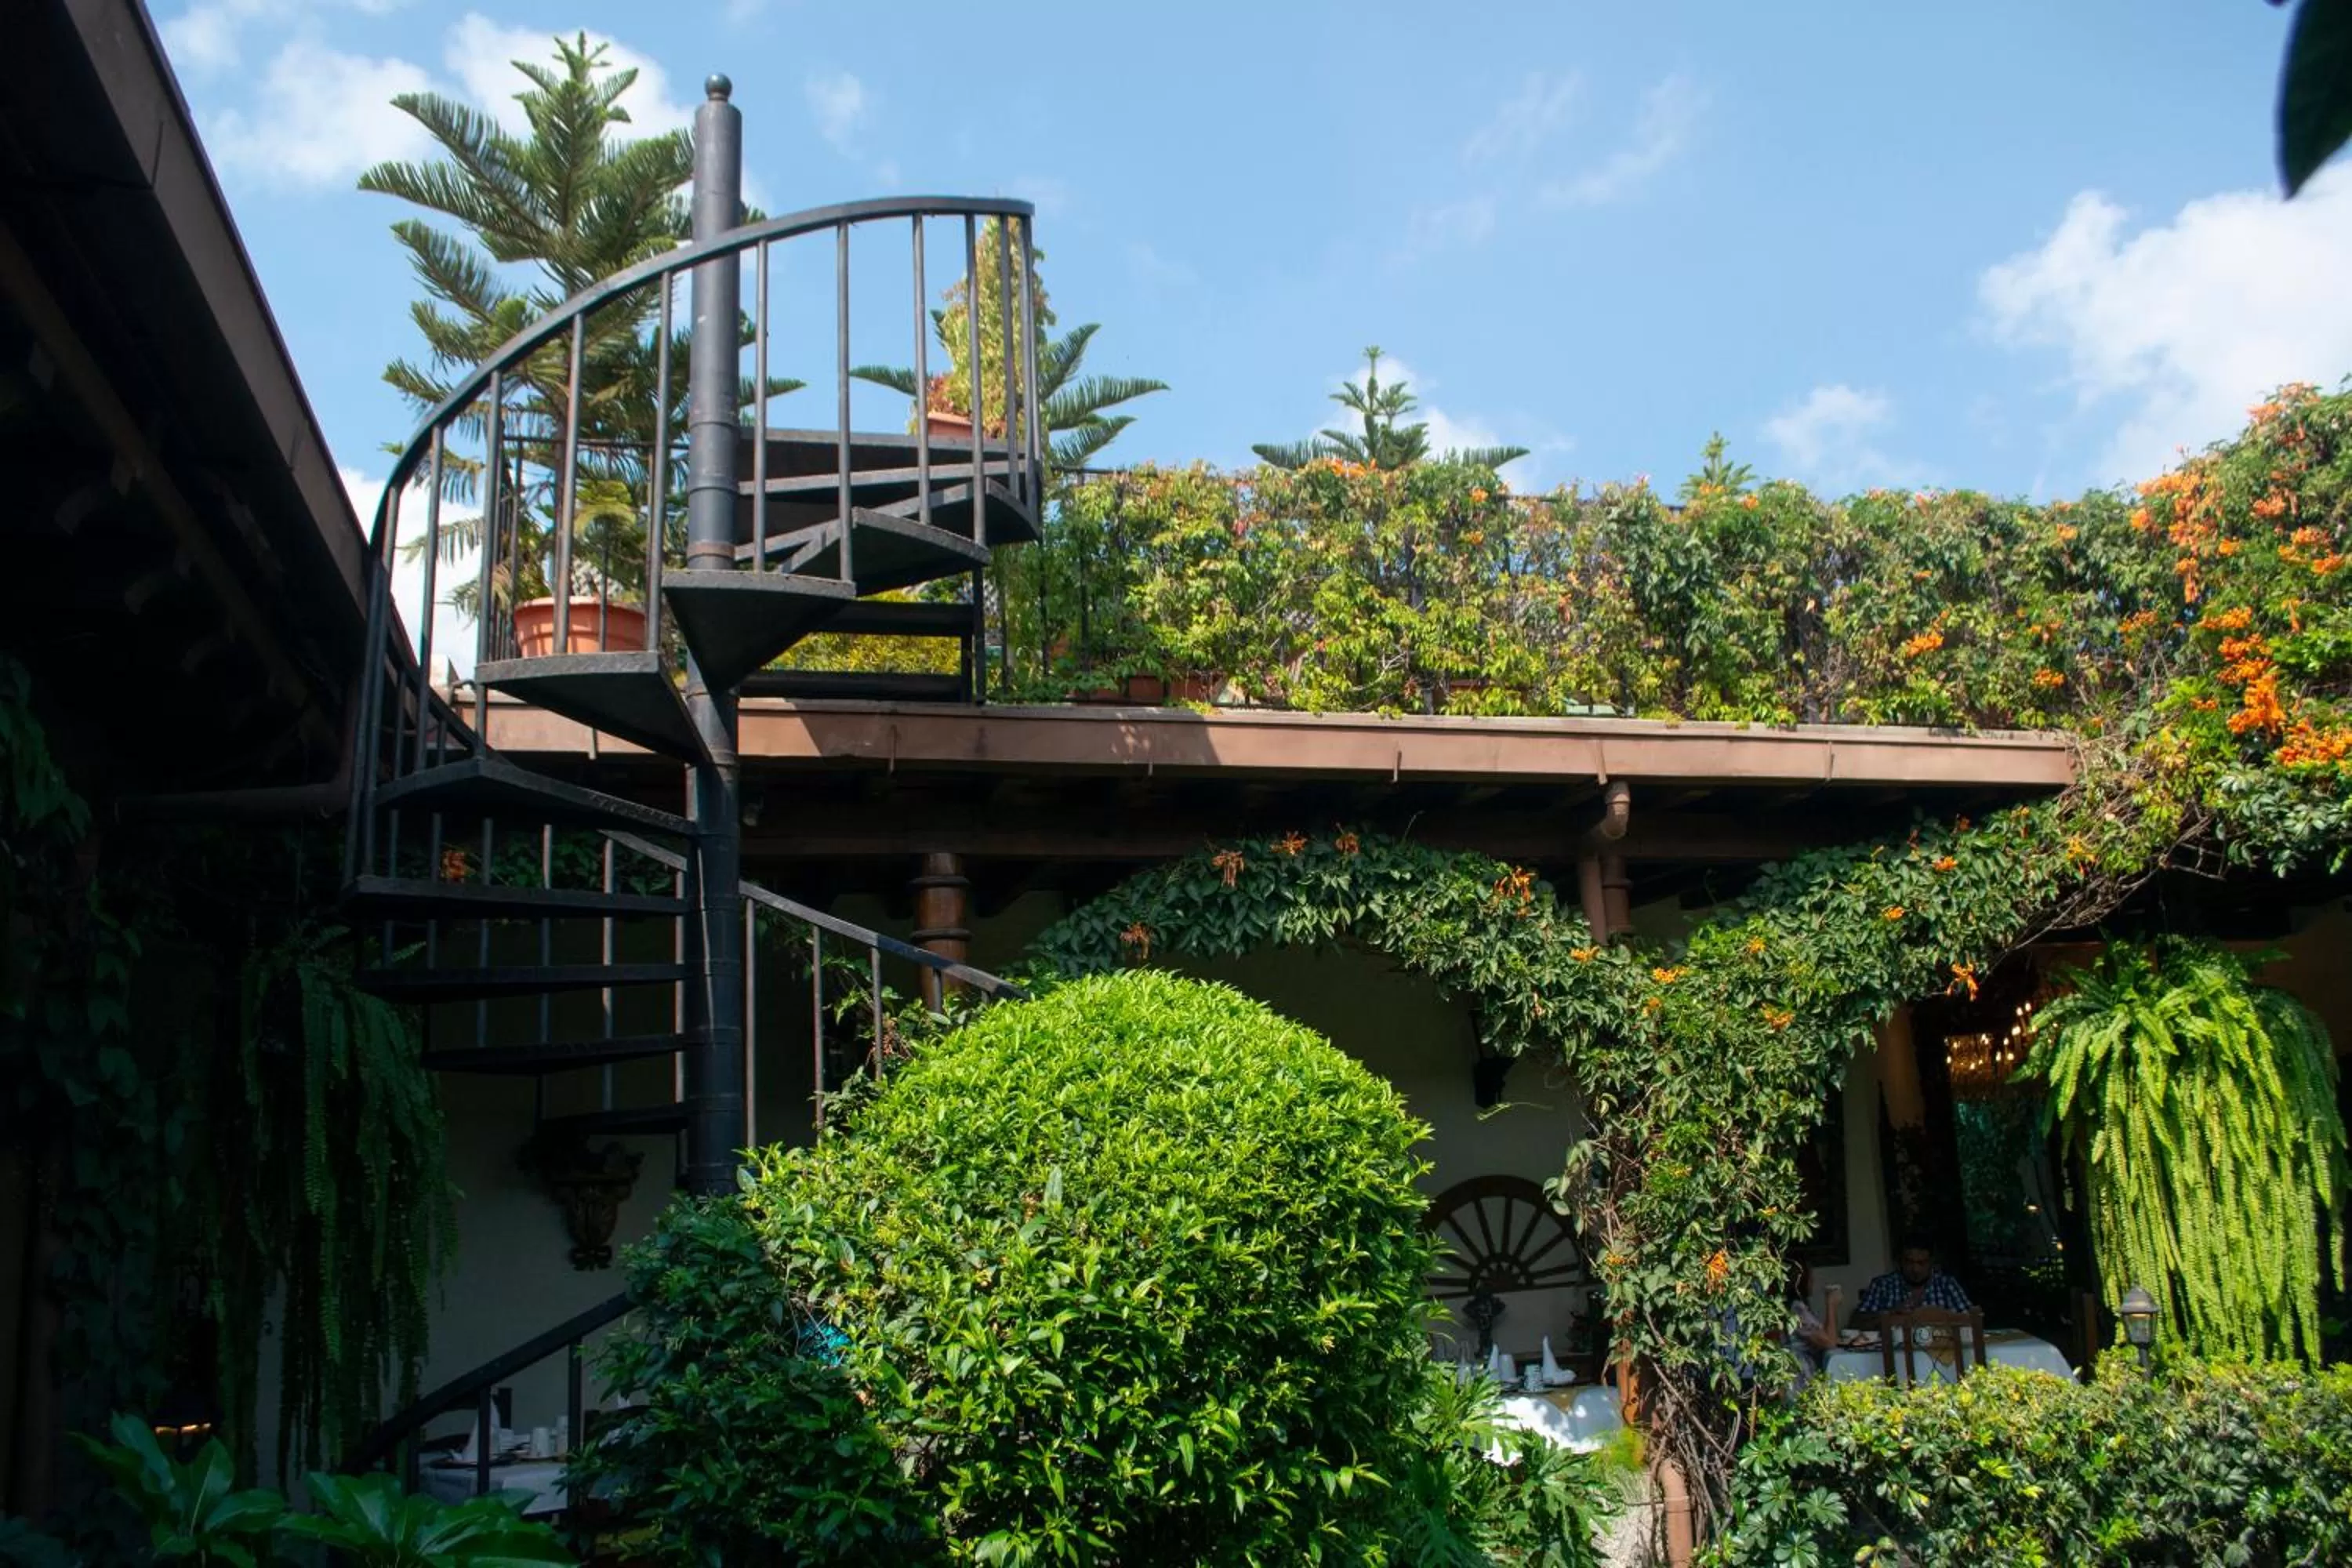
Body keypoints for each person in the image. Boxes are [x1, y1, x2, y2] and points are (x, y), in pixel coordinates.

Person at [1849, 1237, 1970, 1329]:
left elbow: (1971, 1321)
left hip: (1941, 1355)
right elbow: (1856, 1323)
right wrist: (1890, 1314)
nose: (1915, 1269)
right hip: (1892, 1357)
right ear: (1899, 1262)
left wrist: (1935, 1316)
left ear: (1932, 1263)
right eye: (1909, 1262)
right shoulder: (1882, 1285)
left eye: (1921, 1263)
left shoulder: (1947, 1284)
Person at [1786, 1261, 1839, 1389]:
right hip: (1800, 1376)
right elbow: (1829, 1343)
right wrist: (1831, 1305)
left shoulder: (1799, 1307)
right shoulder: (1796, 1310)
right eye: (1811, 1279)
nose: (1813, 1282)